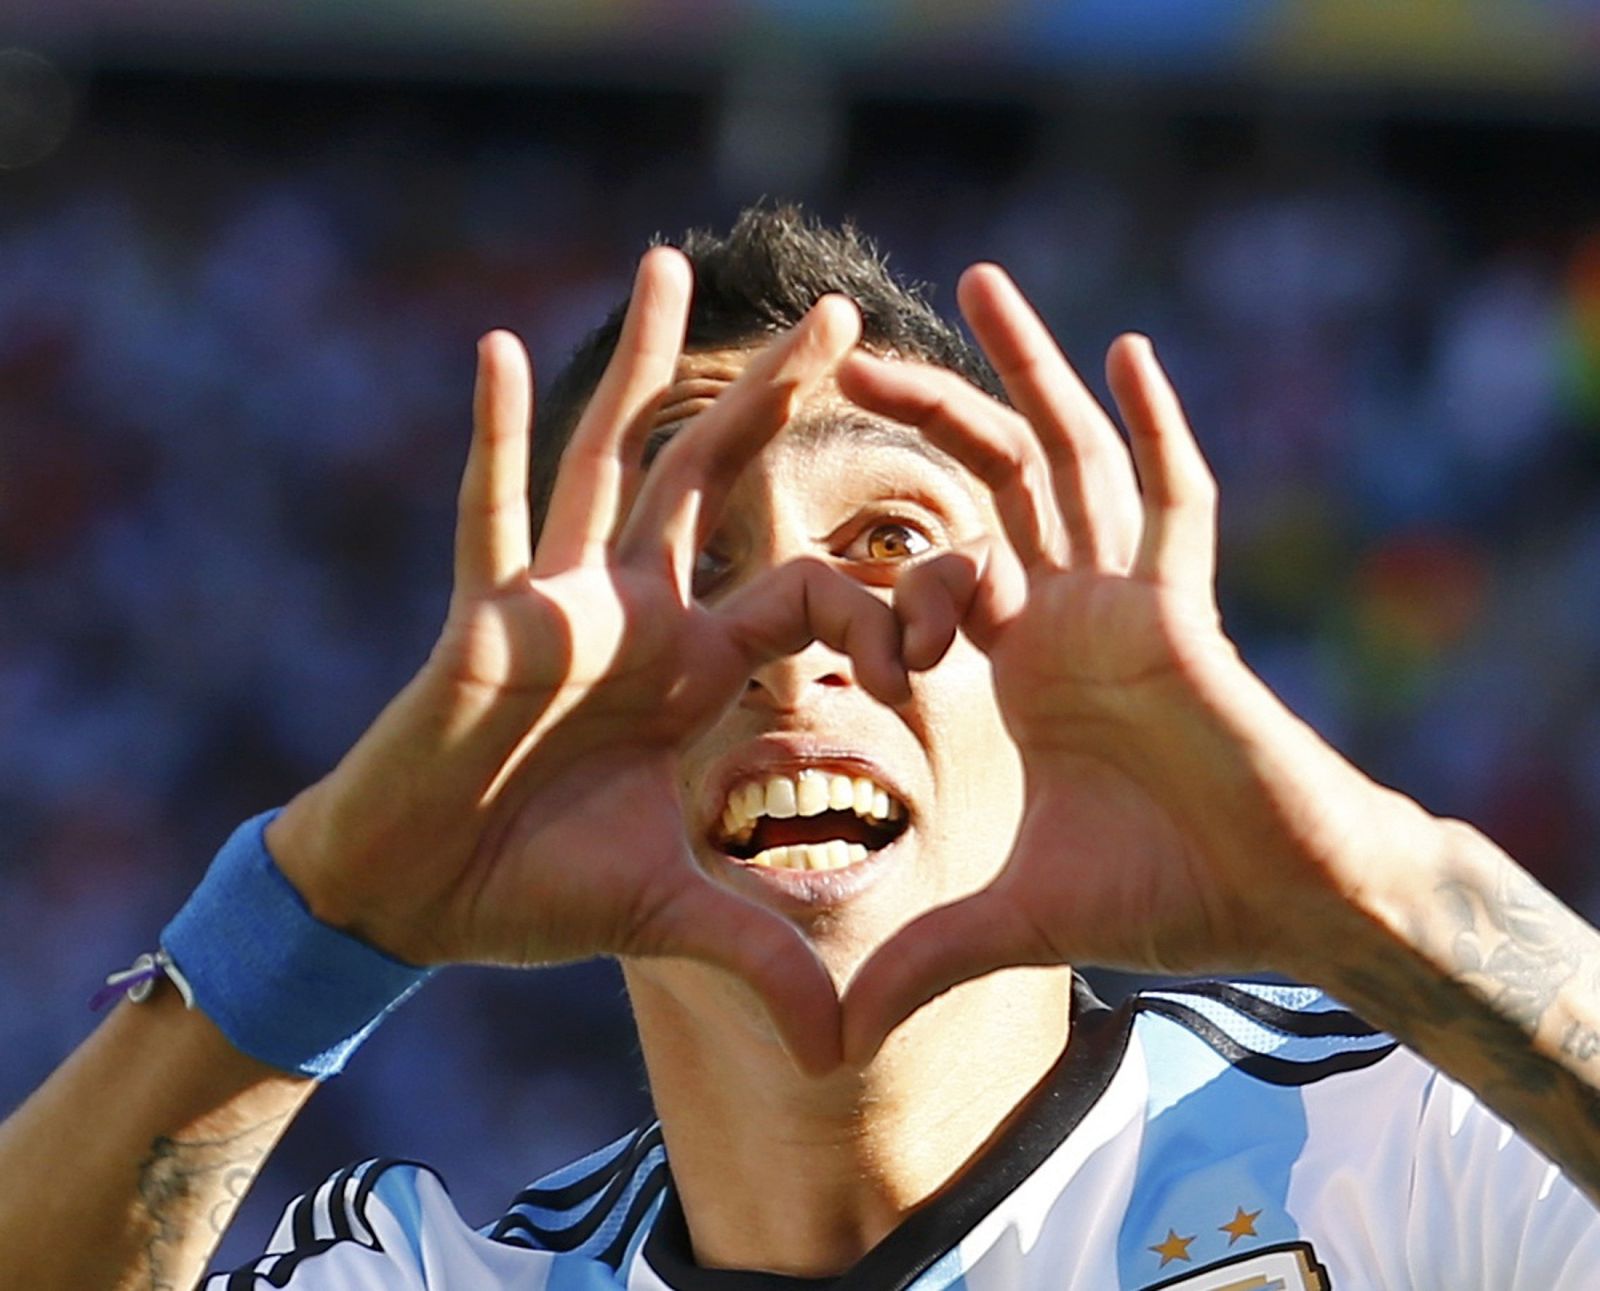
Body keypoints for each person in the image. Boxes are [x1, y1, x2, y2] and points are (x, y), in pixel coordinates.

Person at [3, 206, 1599, 1290]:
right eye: (678, 565)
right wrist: (311, 924)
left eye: (893, 537)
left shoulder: (1419, 1157)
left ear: (1047, 675)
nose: (790, 621)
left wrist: (1372, 890)